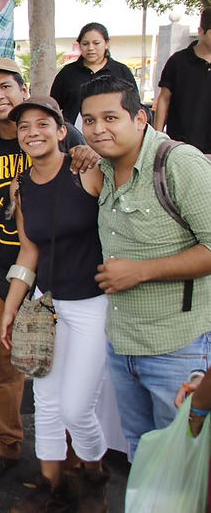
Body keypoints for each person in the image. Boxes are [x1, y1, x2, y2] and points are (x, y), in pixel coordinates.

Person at [0, 57, 97, 480]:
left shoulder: (70, 140)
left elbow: (98, 174)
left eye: (6, 86)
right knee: (0, 366)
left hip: (68, 280)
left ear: (23, 89)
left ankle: (77, 461)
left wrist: (90, 151)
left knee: (68, 380)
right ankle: (3, 446)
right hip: (7, 271)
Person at [81, 74, 211, 460]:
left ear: (140, 119)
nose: (98, 129)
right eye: (89, 120)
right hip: (123, 344)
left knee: (182, 461)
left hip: (179, 347)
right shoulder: (101, 167)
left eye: (110, 118)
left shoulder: (178, 162)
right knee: (142, 455)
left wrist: (141, 271)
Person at [0, 96, 112, 511]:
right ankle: (51, 486)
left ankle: (94, 475)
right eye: (24, 126)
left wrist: (94, 152)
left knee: (77, 407)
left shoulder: (87, 172)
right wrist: (12, 306)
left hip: (93, 304)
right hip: (47, 306)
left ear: (62, 131)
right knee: (45, 402)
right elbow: (29, 250)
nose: (33, 132)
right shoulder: (22, 186)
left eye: (42, 124)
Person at [50, 22, 136, 125]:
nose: (90, 48)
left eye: (96, 43)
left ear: (106, 44)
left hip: (113, 131)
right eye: (85, 44)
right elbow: (53, 106)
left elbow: (134, 105)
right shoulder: (67, 73)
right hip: (73, 133)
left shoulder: (121, 71)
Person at [154, 8, 211, 152]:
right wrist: (157, 137)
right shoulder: (178, 61)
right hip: (183, 146)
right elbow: (164, 99)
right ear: (201, 31)